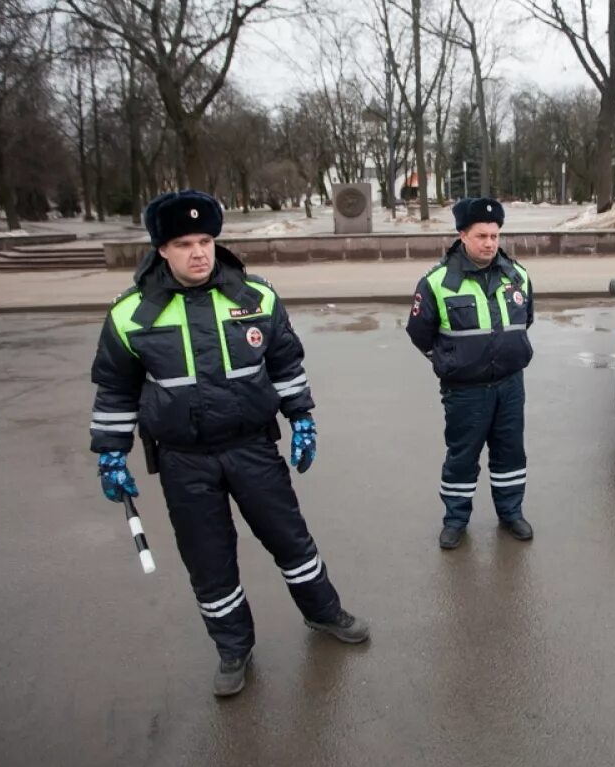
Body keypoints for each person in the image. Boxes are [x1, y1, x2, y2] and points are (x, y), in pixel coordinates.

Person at [89, 189, 368, 698]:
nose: (198, 252)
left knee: (290, 539)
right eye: (184, 243)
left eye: (206, 240)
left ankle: (325, 613)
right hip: (184, 461)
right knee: (209, 558)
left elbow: (285, 364)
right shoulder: (131, 315)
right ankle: (233, 646)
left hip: (252, 449)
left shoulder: (254, 297)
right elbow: (116, 389)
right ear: (161, 250)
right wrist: (110, 450)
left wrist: (302, 417)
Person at [406, 197, 535, 550]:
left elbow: (526, 321)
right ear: (462, 235)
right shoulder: (437, 282)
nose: (490, 243)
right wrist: (448, 361)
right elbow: (419, 333)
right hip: (465, 391)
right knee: (462, 456)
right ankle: (455, 520)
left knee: (510, 453)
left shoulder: (518, 276)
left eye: (495, 235)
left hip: (510, 386)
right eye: (482, 236)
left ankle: (511, 513)